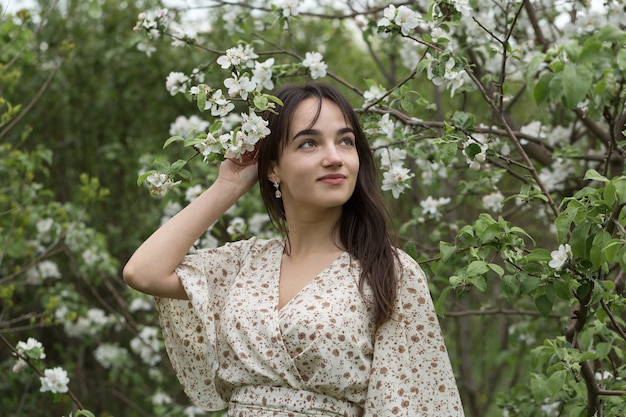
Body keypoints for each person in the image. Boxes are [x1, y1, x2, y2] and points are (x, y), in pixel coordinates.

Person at [123, 82, 465, 416]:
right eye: (309, 144)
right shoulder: (245, 262)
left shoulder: (388, 270)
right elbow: (144, 272)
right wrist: (228, 185)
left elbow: (412, 404)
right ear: (273, 168)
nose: (334, 157)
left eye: (345, 141)